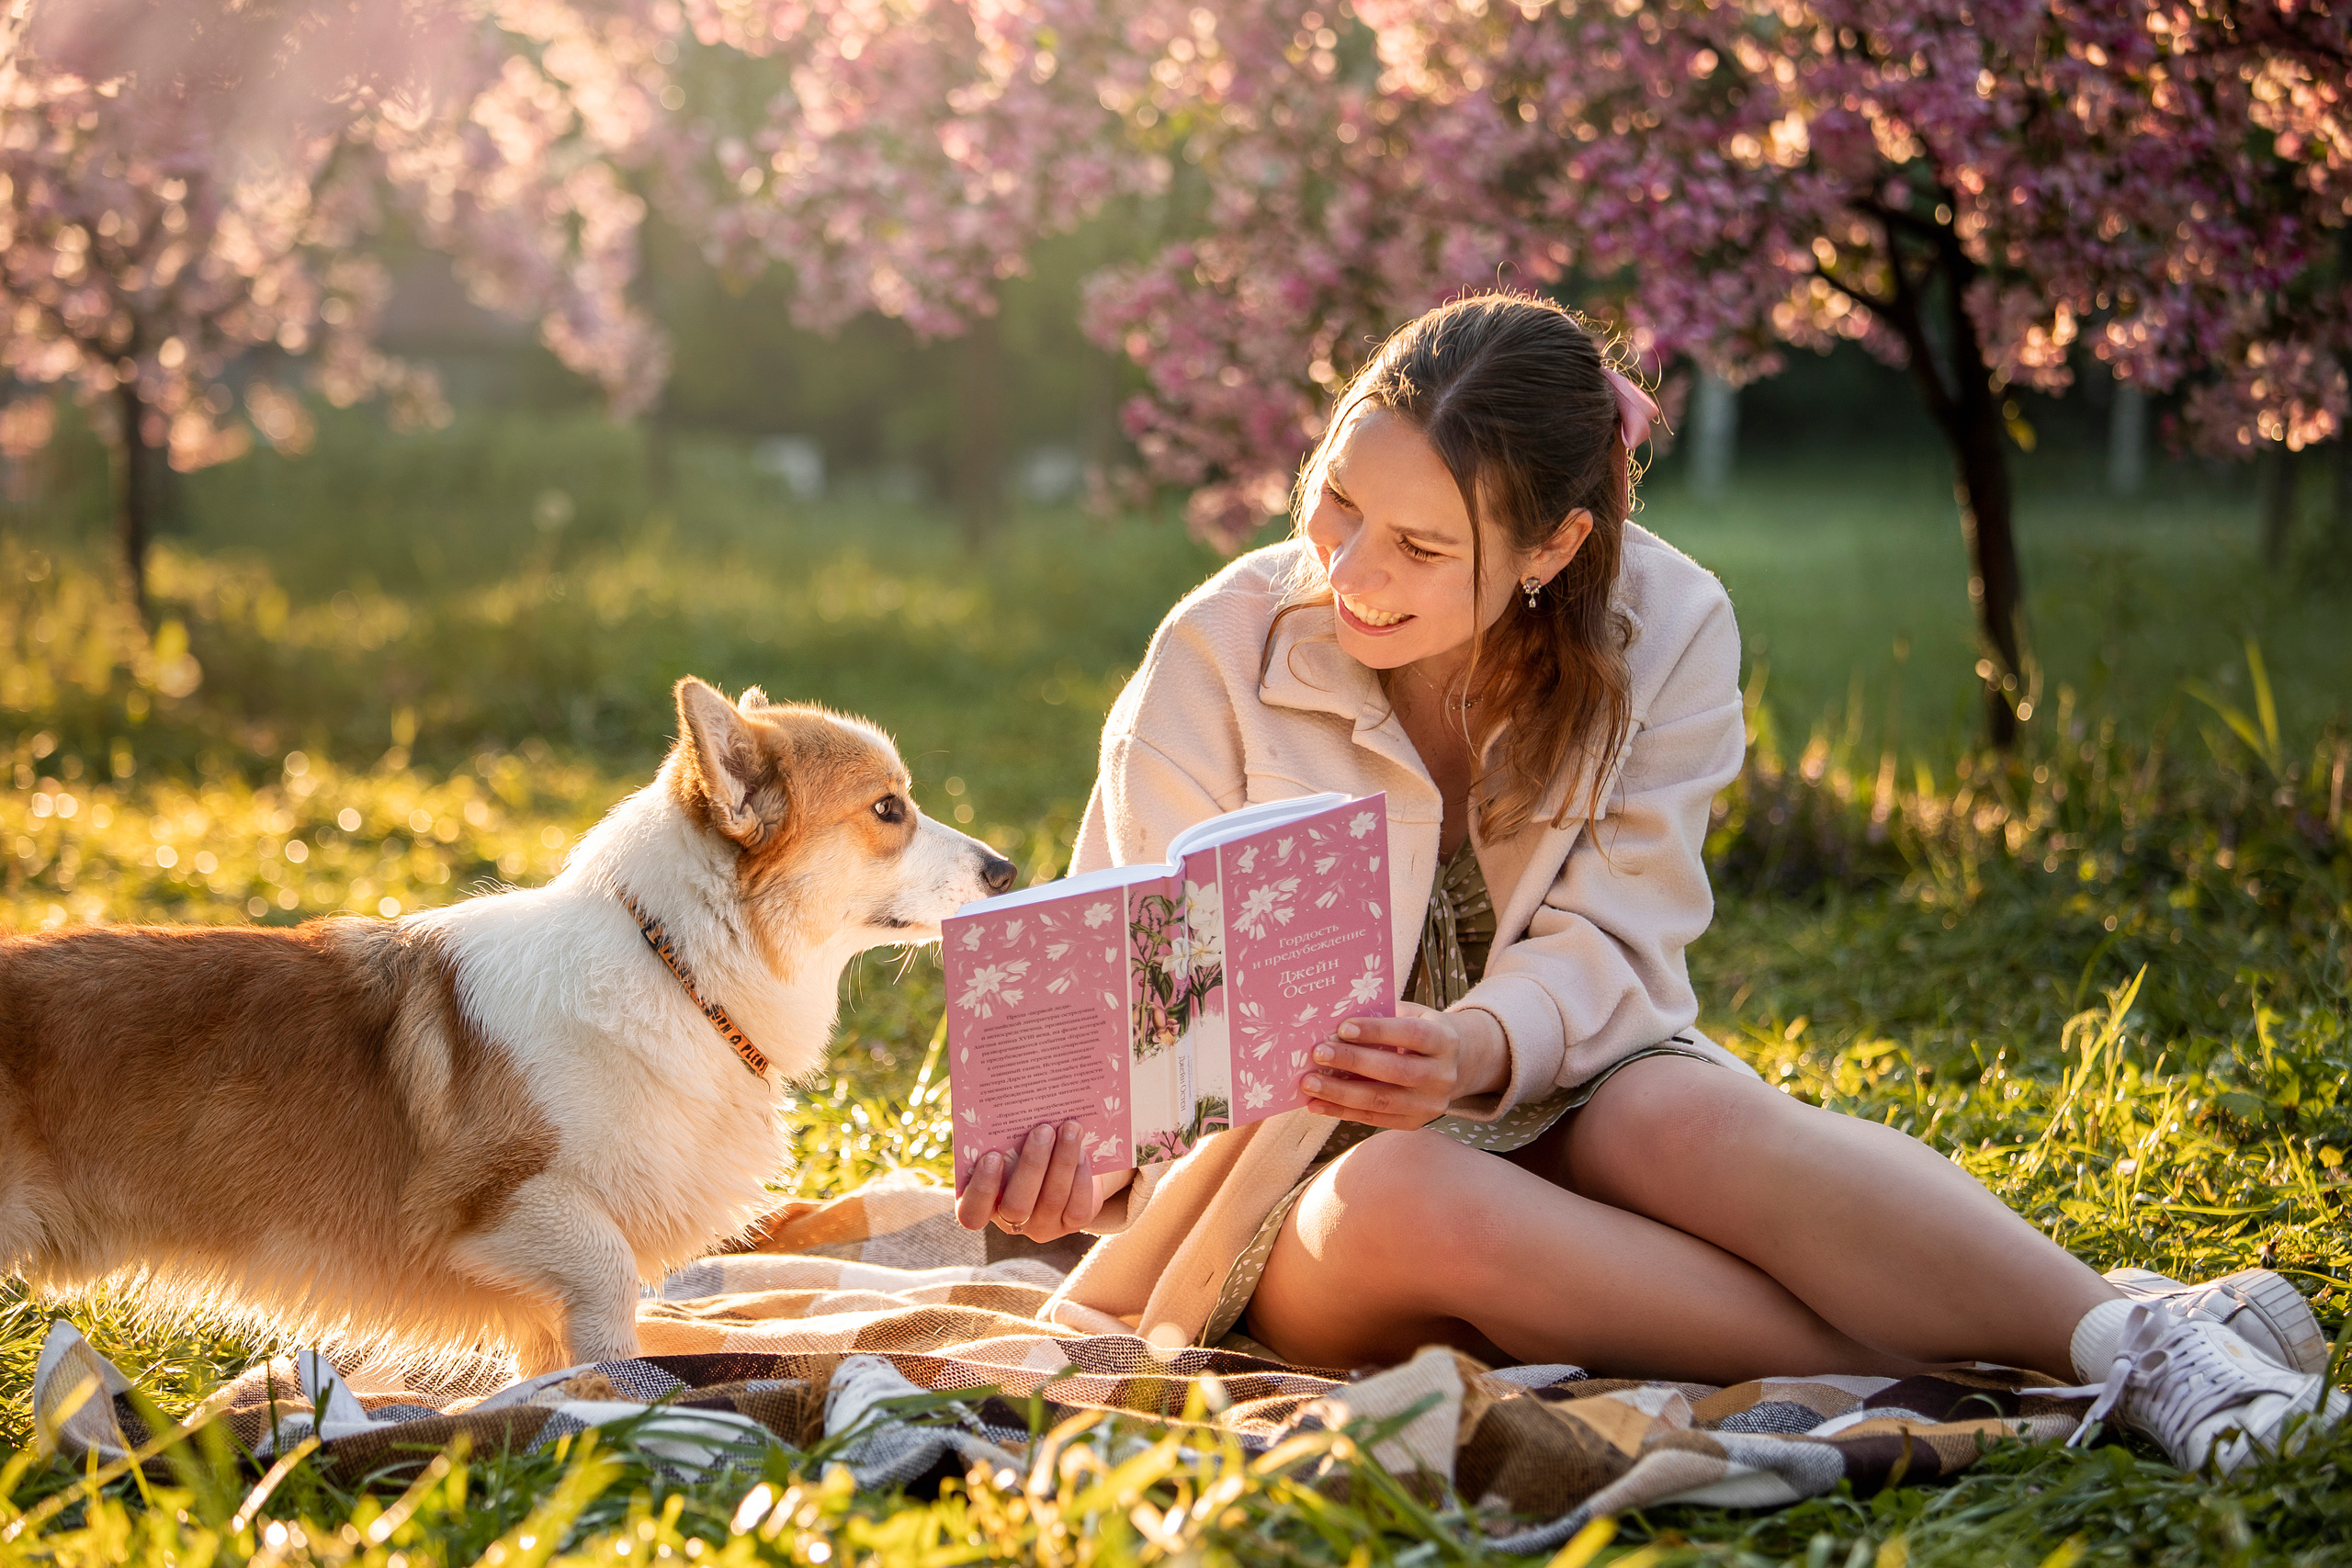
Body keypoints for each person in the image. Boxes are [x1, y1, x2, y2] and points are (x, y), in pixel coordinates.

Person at [953, 292, 2344, 1472]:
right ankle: (2049, 1360)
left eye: (1424, 548)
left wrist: (1474, 1046)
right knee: (1404, 1198)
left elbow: (1619, 941)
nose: (1350, 571)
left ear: (1555, 547)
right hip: (1284, 1176)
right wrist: (1075, 1157)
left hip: (1569, 1075)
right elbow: (1133, 997)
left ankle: (2139, 1344)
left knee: (1689, 1118)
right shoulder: (1217, 652)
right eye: (1338, 503)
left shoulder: (1668, 629)